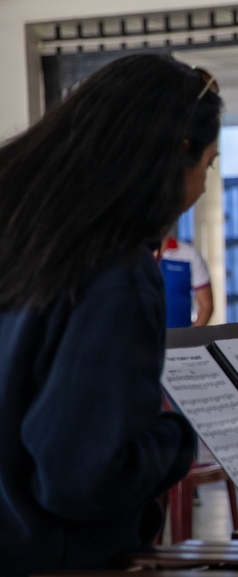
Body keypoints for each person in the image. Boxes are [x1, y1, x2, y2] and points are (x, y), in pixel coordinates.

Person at [0, 53, 223, 575]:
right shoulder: (114, 273)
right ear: (180, 151)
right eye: (208, 166)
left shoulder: (22, 237)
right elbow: (81, 479)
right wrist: (178, 438)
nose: (203, 186)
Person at [157, 228, 214, 327]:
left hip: (178, 333)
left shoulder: (189, 255)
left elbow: (206, 306)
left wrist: (190, 334)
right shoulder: (131, 255)